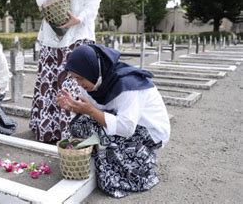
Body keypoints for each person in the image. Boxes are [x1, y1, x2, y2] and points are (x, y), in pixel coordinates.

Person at [57, 44, 171, 198]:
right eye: (75, 78)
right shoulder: (94, 79)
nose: (78, 83)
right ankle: (108, 154)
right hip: (123, 122)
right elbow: (93, 110)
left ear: (92, 70)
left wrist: (89, 111)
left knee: (100, 133)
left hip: (149, 133)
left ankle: (132, 169)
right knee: (79, 123)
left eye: (80, 78)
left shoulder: (128, 85)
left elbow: (126, 128)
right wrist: (73, 106)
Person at [30, 0, 101, 142]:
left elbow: (93, 2)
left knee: (73, 85)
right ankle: (49, 131)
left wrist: (77, 19)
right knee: (49, 83)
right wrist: (49, 3)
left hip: (78, 36)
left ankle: (73, 135)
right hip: (52, 37)